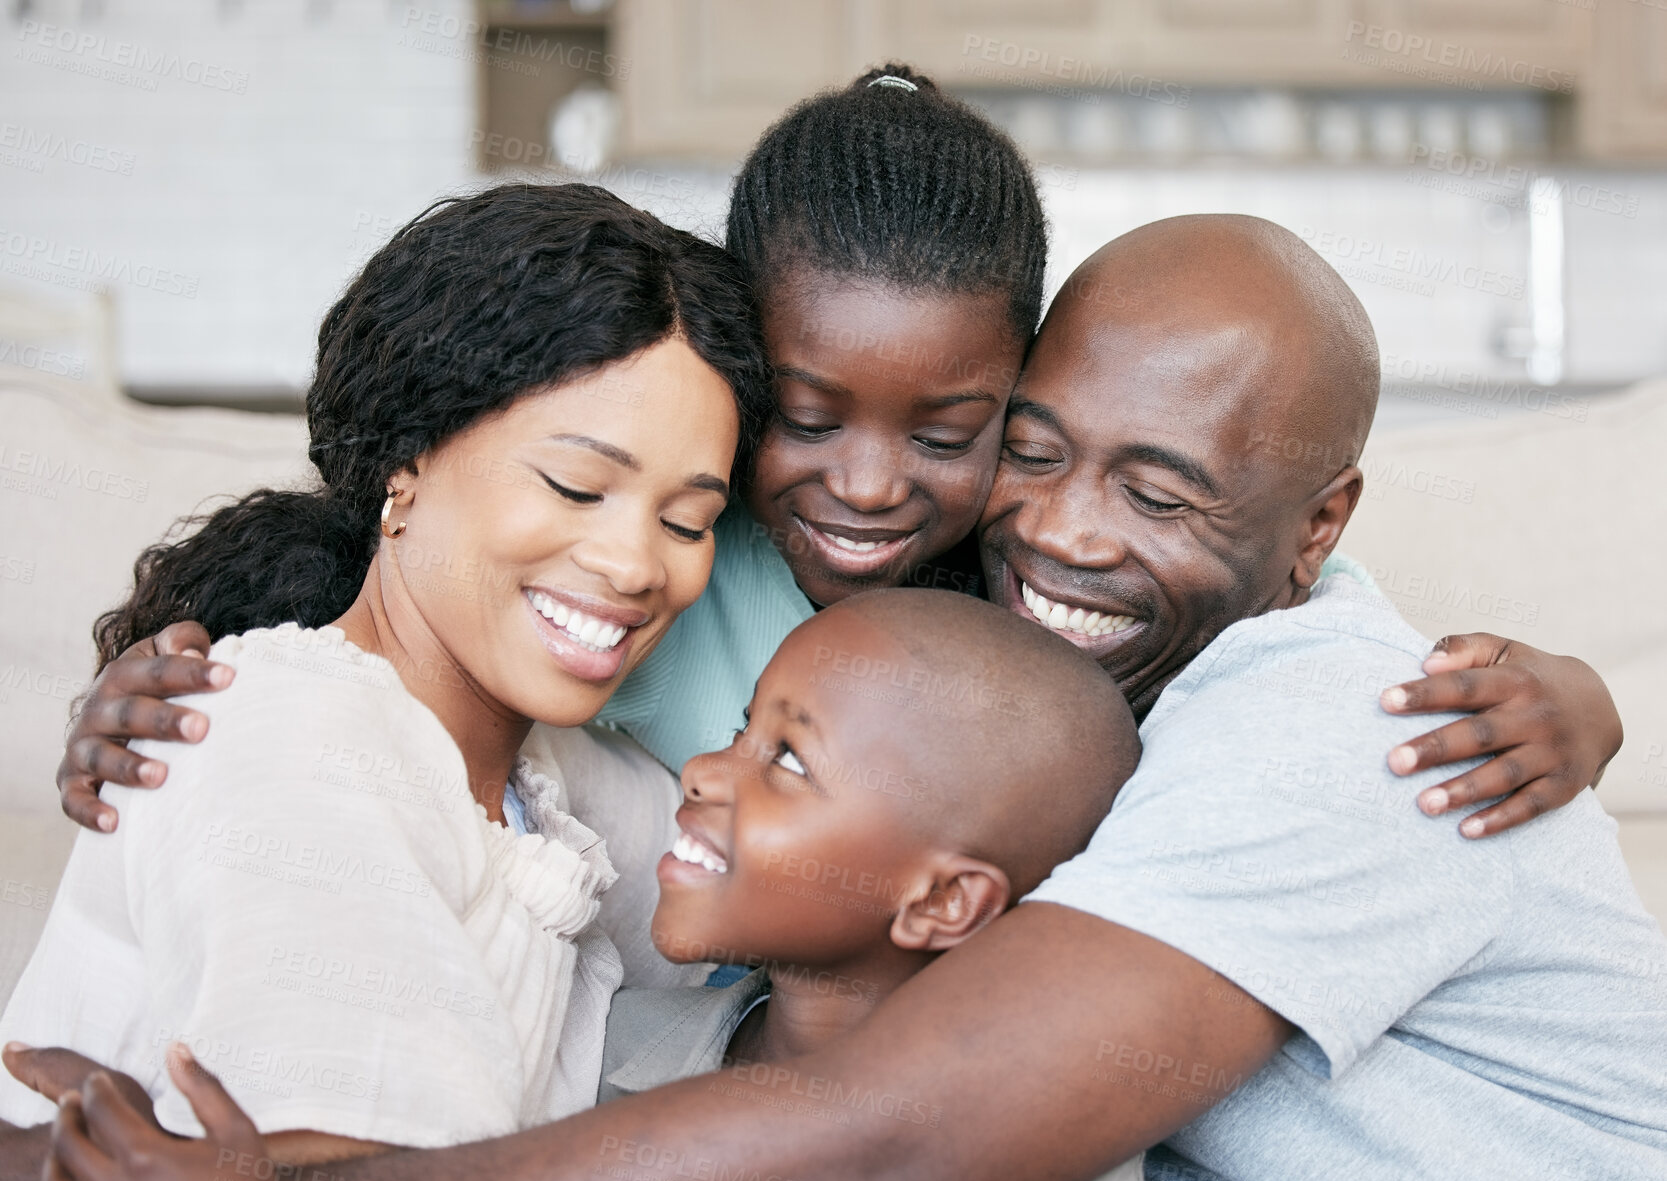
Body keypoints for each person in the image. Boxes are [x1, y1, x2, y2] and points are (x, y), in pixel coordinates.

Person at [24, 215, 1662, 1181]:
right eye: (1031, 446)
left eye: (1161, 491)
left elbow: (888, 1141)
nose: (1063, 530)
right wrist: (204, 638)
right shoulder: (1010, 667)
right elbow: (469, 552)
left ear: (1319, 525)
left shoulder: (1353, 723)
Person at [52, 67, 1623, 843]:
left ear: (1025, 394)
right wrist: (173, 684)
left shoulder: (1040, 564)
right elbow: (376, 580)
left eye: (953, 431)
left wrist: (1578, 700)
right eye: (804, 416)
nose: (870, 487)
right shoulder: (655, 532)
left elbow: (1302, 589)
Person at [0, 183, 774, 1176]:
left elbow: (797, 877)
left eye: (685, 521)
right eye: (576, 487)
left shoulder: (549, 780)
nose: (632, 563)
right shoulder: (293, 730)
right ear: (406, 459)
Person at [599, 590, 1148, 1181]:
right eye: (741, 727)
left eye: (791, 762)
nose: (703, 769)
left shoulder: (1055, 1173)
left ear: (942, 901)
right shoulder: (610, 1041)